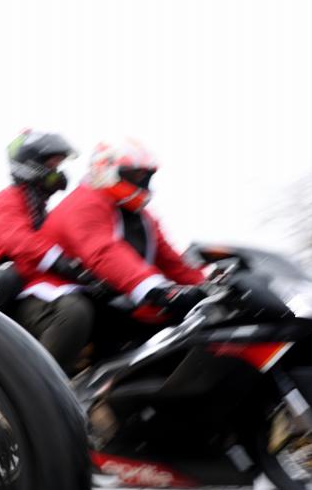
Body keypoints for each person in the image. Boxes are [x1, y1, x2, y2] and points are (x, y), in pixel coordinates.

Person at [27, 139, 205, 365]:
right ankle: (40, 393)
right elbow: (104, 251)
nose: (142, 182)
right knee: (74, 314)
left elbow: (173, 262)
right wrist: (156, 289)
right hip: (48, 296)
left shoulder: (142, 216)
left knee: (173, 323)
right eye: (135, 175)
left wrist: (208, 286)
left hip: (102, 299)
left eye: (145, 177)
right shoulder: (84, 201)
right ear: (106, 169)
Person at [0, 130, 95, 367]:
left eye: (59, 165)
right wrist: (64, 263)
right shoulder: (8, 199)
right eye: (52, 164)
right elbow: (22, 244)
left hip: (1, 288)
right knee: (10, 276)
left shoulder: (37, 208)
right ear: (32, 164)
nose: (58, 172)